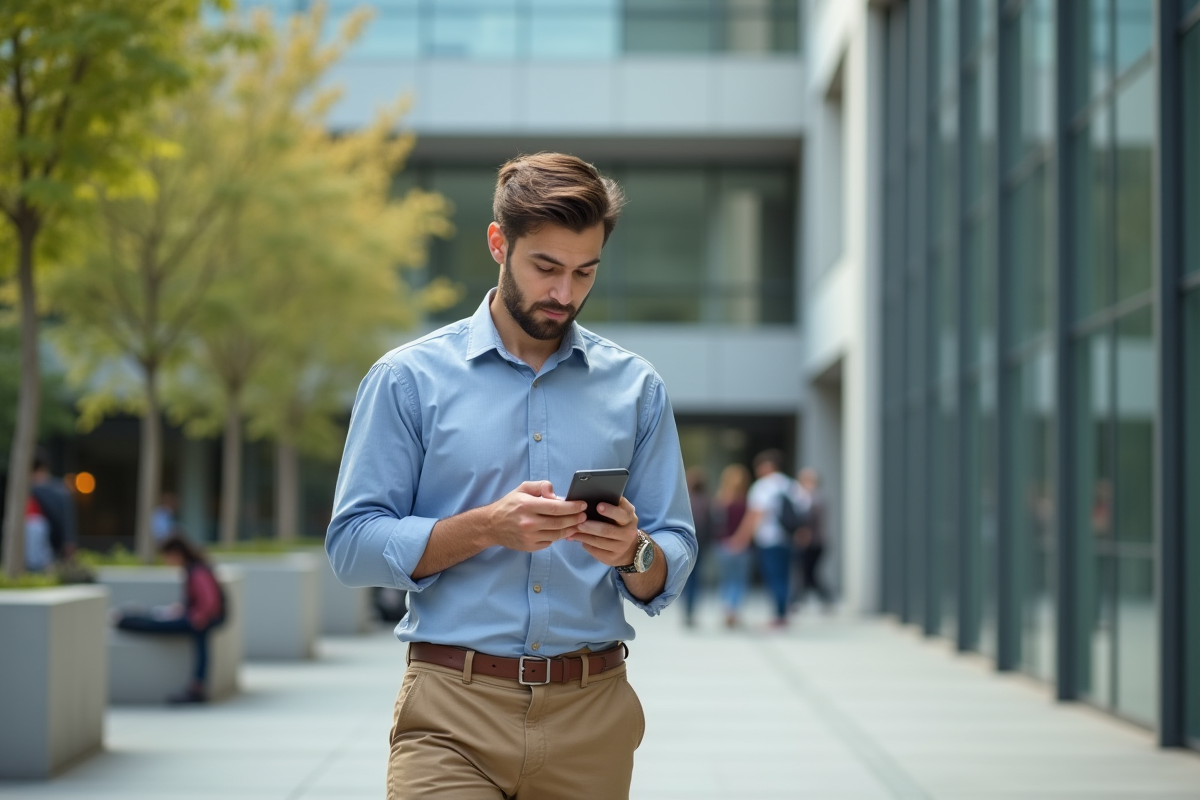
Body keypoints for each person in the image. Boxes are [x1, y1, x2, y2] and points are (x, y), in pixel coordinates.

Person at [326, 153, 696, 800]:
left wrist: (633, 551)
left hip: (593, 718)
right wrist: (485, 528)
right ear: (499, 244)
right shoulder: (407, 381)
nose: (564, 294)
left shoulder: (636, 388)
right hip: (449, 714)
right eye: (545, 268)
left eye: (585, 272)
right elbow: (352, 545)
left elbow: (675, 547)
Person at [114, 535, 226, 704]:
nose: (166, 561)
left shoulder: (196, 571)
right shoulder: (195, 569)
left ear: (176, 553)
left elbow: (210, 601)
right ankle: (197, 687)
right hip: (200, 618)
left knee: (156, 625)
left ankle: (124, 620)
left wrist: (198, 618)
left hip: (201, 619)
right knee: (185, 632)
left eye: (167, 556)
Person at [729, 449, 806, 629]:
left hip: (768, 539)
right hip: (788, 538)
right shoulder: (791, 485)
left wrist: (741, 538)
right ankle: (783, 612)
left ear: (767, 466)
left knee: (774, 577)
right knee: (785, 576)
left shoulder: (762, 486)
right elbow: (802, 511)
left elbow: (755, 515)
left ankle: (779, 615)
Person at [711, 463, 752, 628]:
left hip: (723, 544)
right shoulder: (747, 501)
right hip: (741, 545)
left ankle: (728, 609)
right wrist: (740, 539)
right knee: (739, 580)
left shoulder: (720, 500)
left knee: (727, 579)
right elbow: (749, 524)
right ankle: (733, 610)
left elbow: (716, 525)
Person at [790, 468, 833, 611]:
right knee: (804, 572)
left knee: (809, 573)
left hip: (814, 542)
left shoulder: (815, 498)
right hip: (807, 542)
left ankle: (822, 598)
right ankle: (799, 600)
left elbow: (812, 520)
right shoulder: (800, 497)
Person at [30, 449, 77, 561]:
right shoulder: (61, 488)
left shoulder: (36, 489)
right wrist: (69, 540)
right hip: (56, 544)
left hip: (47, 545)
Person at [680, 467, 713, 628]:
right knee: (696, 578)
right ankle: (691, 610)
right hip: (700, 545)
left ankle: (686, 610)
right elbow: (711, 525)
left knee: (685, 578)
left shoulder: (684, 500)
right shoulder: (707, 501)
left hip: (685, 545)